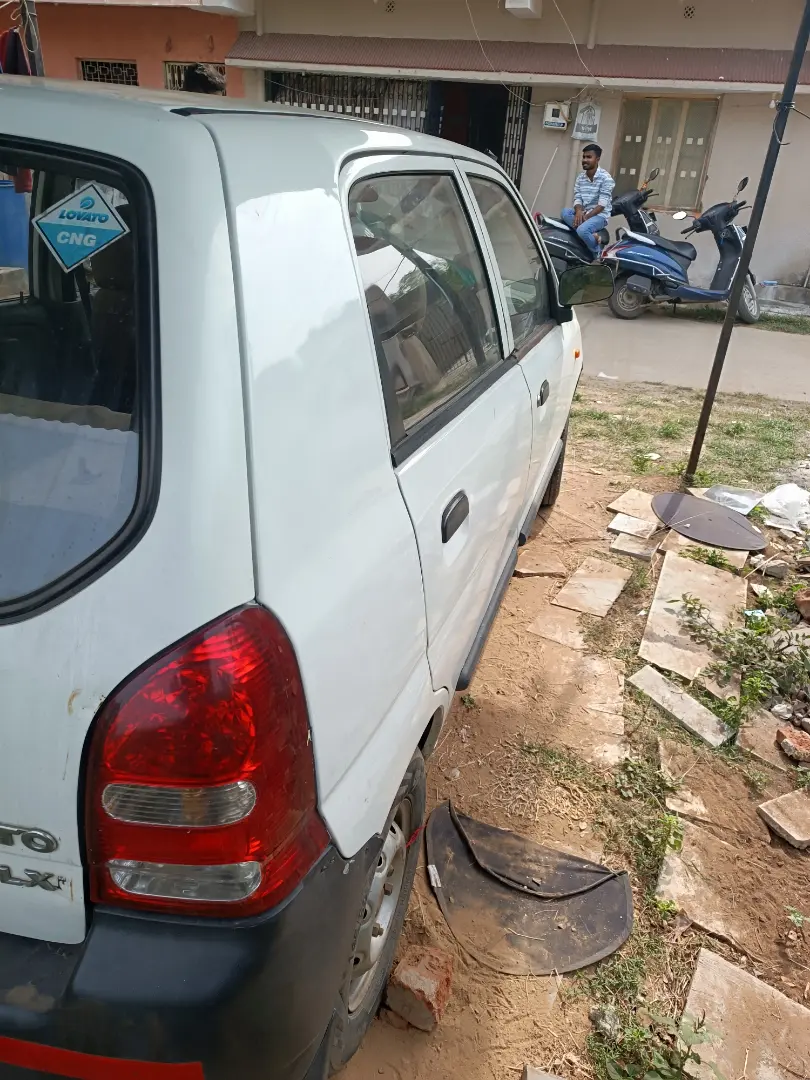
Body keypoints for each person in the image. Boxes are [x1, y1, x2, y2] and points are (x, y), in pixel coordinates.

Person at [561, 143, 614, 257]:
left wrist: (586, 217)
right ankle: (593, 235)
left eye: (589, 157)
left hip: (599, 216)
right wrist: (579, 211)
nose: (585, 160)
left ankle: (597, 253)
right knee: (565, 212)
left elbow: (602, 204)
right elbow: (578, 197)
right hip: (584, 213)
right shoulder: (580, 177)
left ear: (597, 159)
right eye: (584, 157)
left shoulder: (606, 178)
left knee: (581, 230)